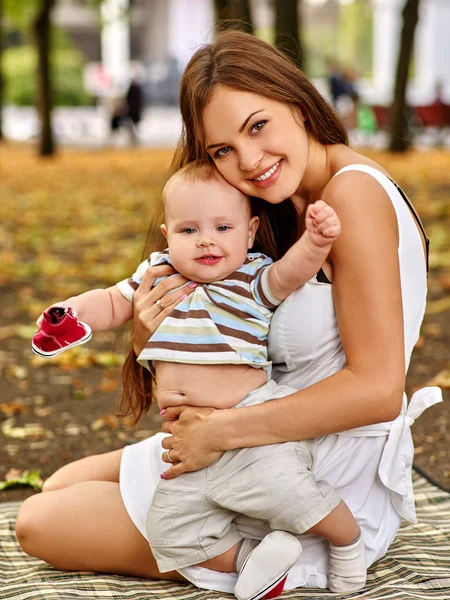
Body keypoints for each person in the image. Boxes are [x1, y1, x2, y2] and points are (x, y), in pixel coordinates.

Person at [15, 30, 442, 597]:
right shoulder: (288, 205)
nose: (249, 161)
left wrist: (218, 433)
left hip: (307, 474)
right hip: (253, 437)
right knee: (61, 483)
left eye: (257, 126)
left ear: (295, 98)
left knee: (37, 522)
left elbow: (377, 390)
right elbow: (232, 339)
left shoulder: (351, 197)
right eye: (222, 150)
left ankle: (259, 559)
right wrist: (146, 336)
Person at [29, 161, 366, 599]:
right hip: (184, 442)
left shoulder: (252, 278)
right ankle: (252, 560)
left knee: (290, 495)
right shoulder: (160, 273)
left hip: (247, 429)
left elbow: (292, 273)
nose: (206, 239)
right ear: (168, 236)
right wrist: (70, 315)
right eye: (189, 231)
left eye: (223, 227)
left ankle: (347, 543)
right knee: (169, 529)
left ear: (250, 232)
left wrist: (316, 241)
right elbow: (112, 302)